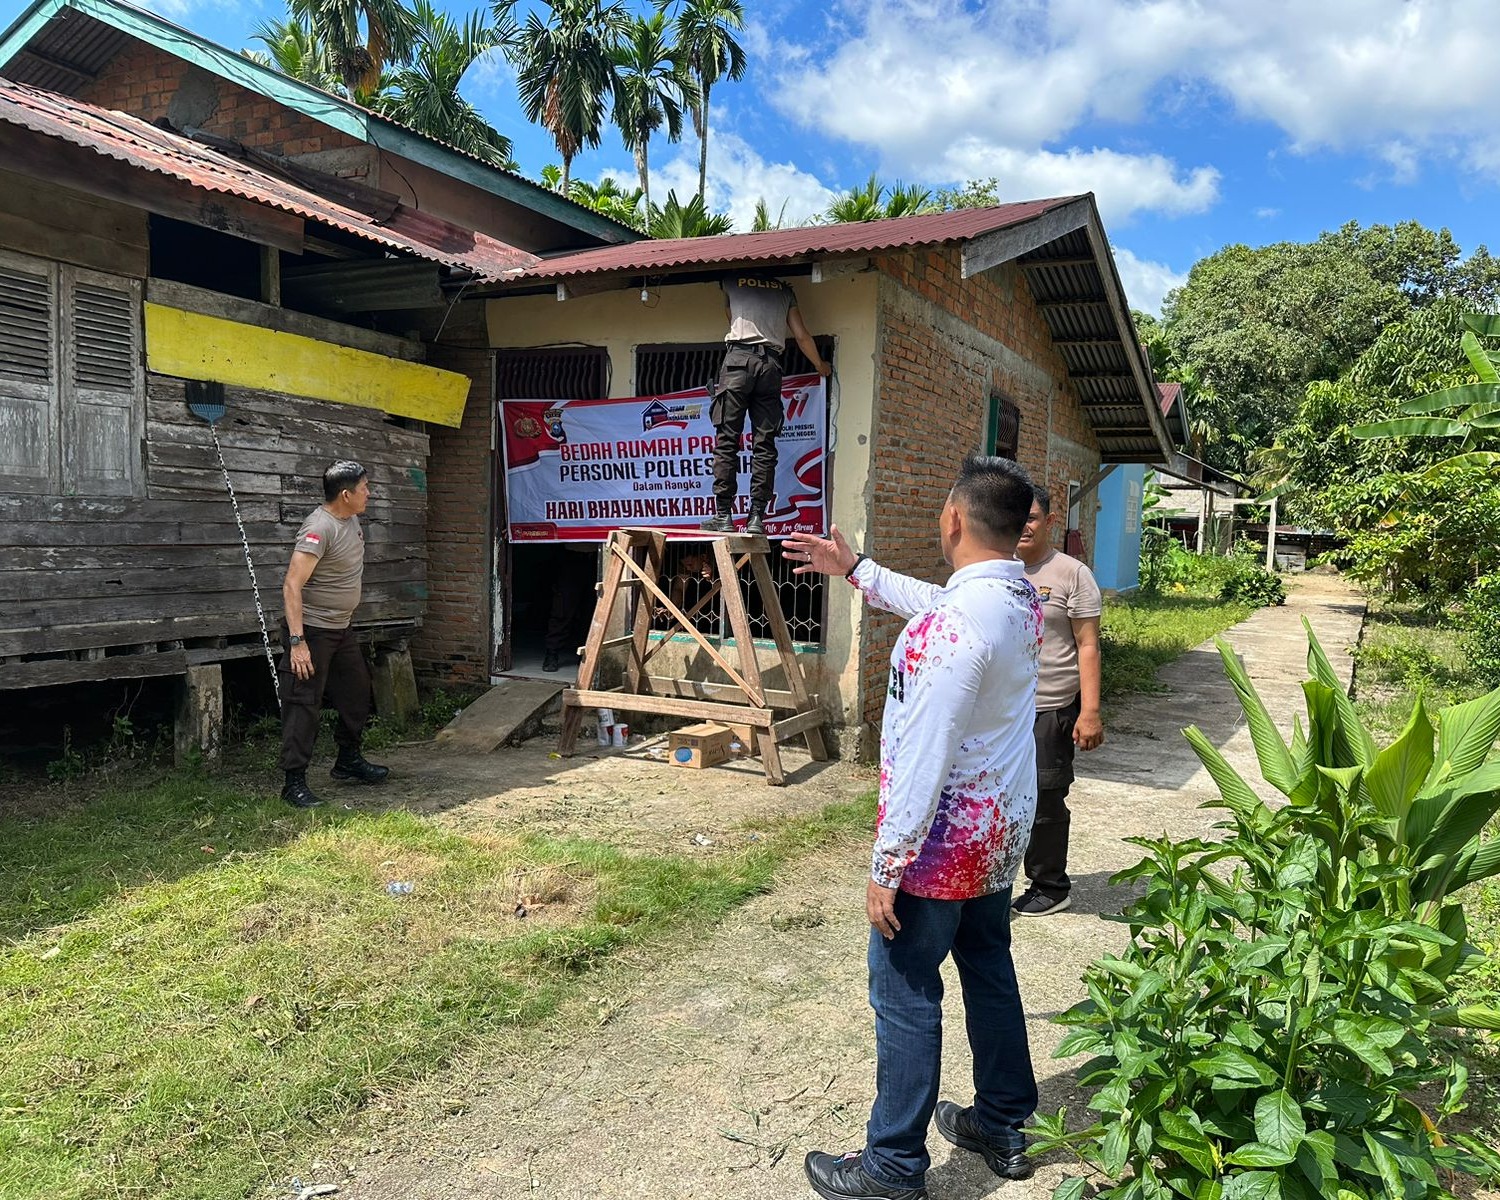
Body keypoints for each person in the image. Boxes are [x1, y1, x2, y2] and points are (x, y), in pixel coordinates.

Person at [783, 454, 1043, 1200]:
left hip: (938, 850)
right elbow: (936, 598)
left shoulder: (949, 631)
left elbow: (924, 754)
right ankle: (1001, 1121)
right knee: (989, 969)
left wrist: (886, 864)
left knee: (903, 991)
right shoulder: (1015, 599)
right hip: (996, 837)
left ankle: (893, 1165)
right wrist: (856, 567)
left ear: (955, 519)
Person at [1013, 485, 1104, 916]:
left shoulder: (1071, 574)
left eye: (1031, 517)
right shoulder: (997, 569)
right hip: (1001, 712)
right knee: (1000, 797)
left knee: (1046, 799)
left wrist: (1089, 711)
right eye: (1014, 515)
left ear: (1049, 522)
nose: (1023, 525)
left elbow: (1088, 645)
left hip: (1049, 708)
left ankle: (1050, 885)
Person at [278, 461, 390, 809]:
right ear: (346, 494)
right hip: (312, 632)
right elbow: (291, 586)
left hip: (341, 629)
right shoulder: (319, 528)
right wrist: (298, 644)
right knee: (304, 704)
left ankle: (347, 761)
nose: (368, 493)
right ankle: (293, 782)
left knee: (358, 693)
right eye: (364, 488)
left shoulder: (350, 519)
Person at [699, 273, 831, 536]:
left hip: (738, 362)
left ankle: (724, 515)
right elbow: (802, 336)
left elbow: (730, 315)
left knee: (727, 441)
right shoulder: (784, 289)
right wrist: (820, 366)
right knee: (765, 447)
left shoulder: (731, 280)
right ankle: (756, 518)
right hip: (770, 367)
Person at [543, 543, 599, 672]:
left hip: (598, 555)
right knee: (563, 607)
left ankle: (585, 654)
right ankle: (552, 653)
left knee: (591, 609)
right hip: (570, 556)